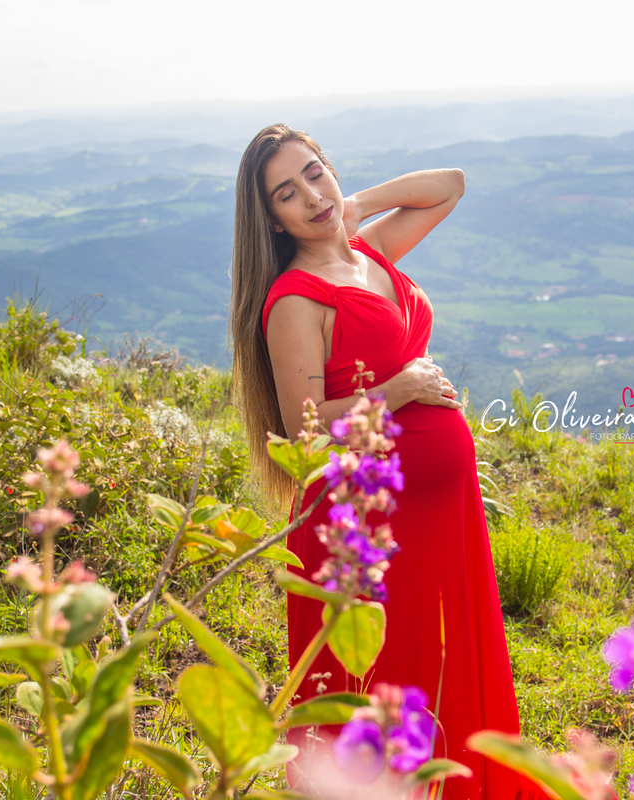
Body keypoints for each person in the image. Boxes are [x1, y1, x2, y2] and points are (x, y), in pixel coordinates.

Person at [229, 124, 545, 800]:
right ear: (273, 221)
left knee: (446, 657)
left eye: (315, 173)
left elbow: (450, 187)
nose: (310, 196)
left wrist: (357, 205)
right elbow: (305, 427)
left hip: (440, 511)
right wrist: (399, 390)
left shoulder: (367, 251)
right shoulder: (295, 299)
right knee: (388, 675)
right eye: (287, 194)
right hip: (365, 518)